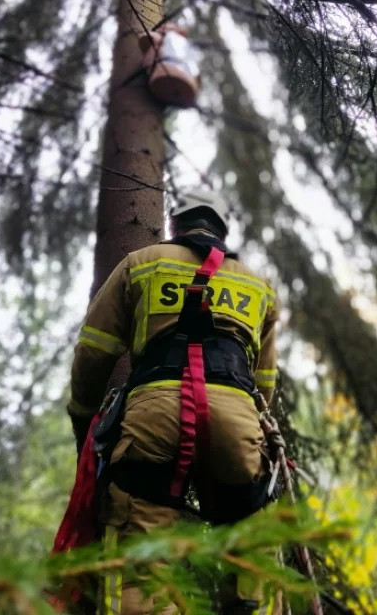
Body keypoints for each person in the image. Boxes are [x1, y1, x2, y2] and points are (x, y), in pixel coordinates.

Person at [67, 192, 280, 615]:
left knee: (140, 558)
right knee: (251, 536)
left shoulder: (140, 263)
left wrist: (84, 415)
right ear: (222, 232)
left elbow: (94, 350)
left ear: (173, 225)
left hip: (154, 414)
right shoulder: (259, 286)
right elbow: (265, 382)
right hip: (236, 418)